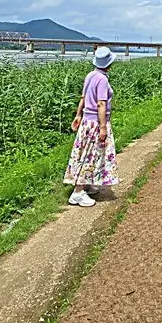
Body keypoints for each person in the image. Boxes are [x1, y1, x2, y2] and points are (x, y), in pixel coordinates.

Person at [64, 47, 119, 207]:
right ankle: (78, 192)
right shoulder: (102, 79)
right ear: (109, 63)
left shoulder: (90, 75)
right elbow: (100, 103)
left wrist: (78, 114)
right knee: (89, 154)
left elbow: (83, 97)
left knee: (86, 153)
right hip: (95, 123)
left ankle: (86, 184)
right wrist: (103, 127)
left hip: (87, 122)